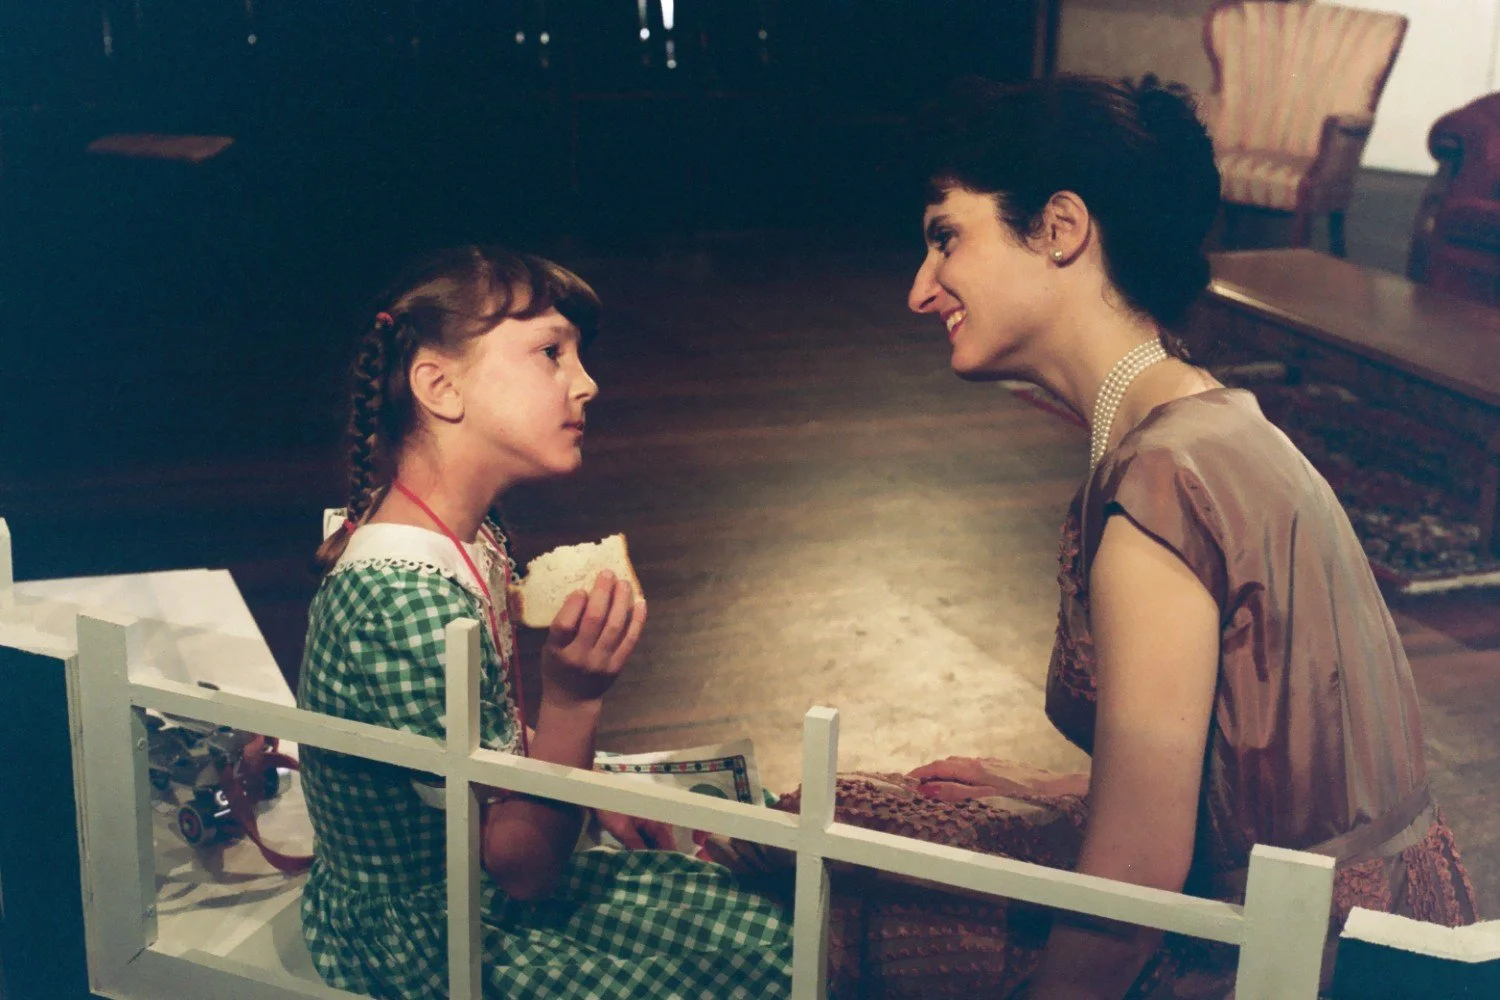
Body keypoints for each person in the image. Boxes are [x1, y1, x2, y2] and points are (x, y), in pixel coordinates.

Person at [759, 75, 1477, 999]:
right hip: (1342, 912)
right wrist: (1048, 790)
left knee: (840, 878)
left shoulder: (1162, 484)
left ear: (1061, 228)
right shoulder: (1211, 419)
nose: (920, 291)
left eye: (947, 238)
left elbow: (1131, 896)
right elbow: (1263, 777)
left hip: (1296, 959)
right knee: (854, 812)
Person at [296, 246, 793, 999]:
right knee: (764, 966)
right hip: (434, 930)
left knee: (761, 916)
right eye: (551, 353)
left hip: (474, 880)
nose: (586, 383)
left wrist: (584, 784)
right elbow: (523, 869)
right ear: (440, 386)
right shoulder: (404, 599)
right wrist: (574, 701)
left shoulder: (471, 534)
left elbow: (486, 752)